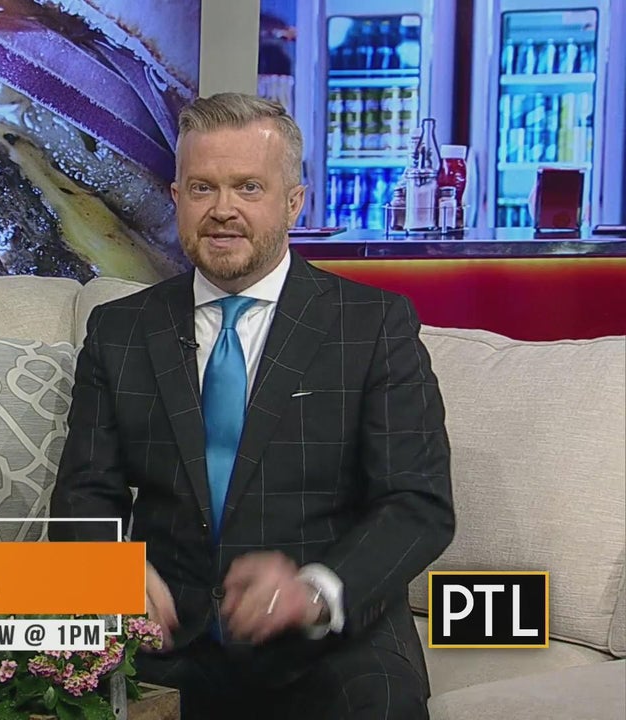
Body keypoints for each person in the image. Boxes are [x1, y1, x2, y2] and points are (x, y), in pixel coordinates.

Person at [48, 93, 453, 719]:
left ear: (293, 202)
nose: (223, 210)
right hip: (167, 637)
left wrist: (316, 590)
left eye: (248, 187)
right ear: (176, 198)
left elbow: (417, 503)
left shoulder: (371, 325)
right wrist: (109, 572)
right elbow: (84, 493)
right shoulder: (121, 331)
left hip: (329, 643)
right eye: (202, 188)